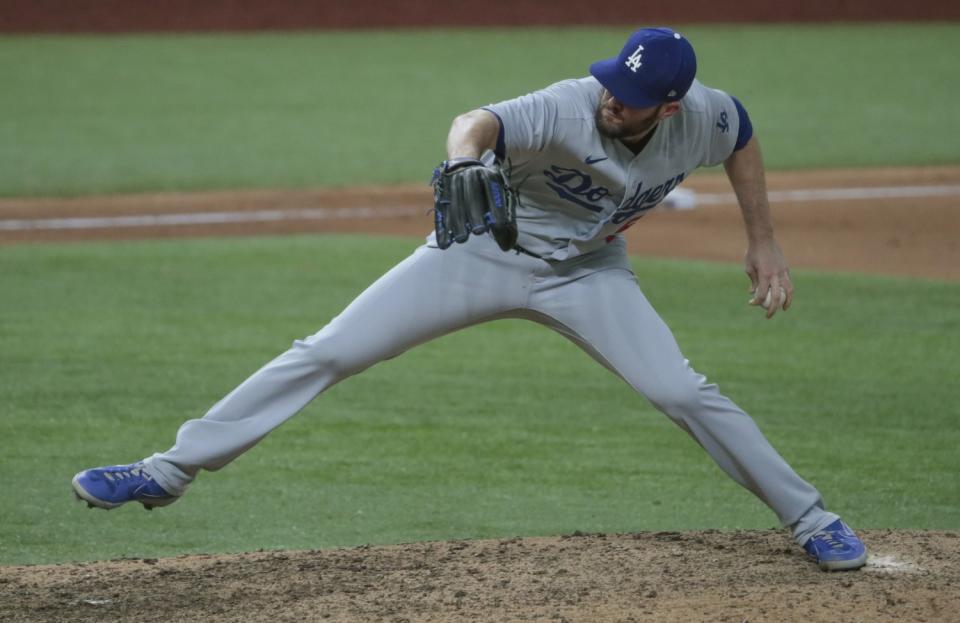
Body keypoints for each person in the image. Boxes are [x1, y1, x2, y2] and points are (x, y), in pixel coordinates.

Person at [72, 27, 867, 571]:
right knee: (331, 349)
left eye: (629, 99)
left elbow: (744, 134)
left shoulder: (701, 118)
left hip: (591, 273)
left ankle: (812, 519)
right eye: (611, 82)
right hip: (482, 253)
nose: (608, 100)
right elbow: (475, 121)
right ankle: (168, 469)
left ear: (668, 107)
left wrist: (762, 237)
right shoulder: (568, 103)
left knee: (682, 390)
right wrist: (462, 164)